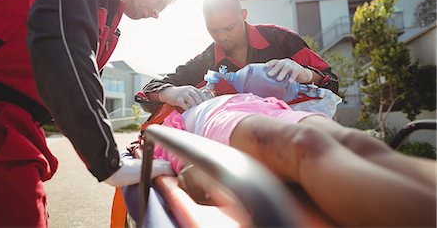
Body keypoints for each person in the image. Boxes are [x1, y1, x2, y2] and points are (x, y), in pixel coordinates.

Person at [0, 0, 176, 227]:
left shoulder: (112, 24)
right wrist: (108, 160)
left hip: (20, 123)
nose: (156, 14)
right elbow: (63, 48)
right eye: (160, 0)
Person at [153, 93, 436, 227]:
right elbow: (170, 149)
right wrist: (194, 166)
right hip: (217, 121)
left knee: (359, 143)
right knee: (305, 147)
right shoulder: (178, 115)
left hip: (271, 107)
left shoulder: (249, 88)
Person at [137, 0, 338, 112]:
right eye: (213, 30)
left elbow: (332, 82)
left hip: (298, 126)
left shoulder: (281, 40)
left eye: (229, 27)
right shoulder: (206, 61)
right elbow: (146, 93)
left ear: (243, 14)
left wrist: (305, 73)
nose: (222, 37)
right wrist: (169, 93)